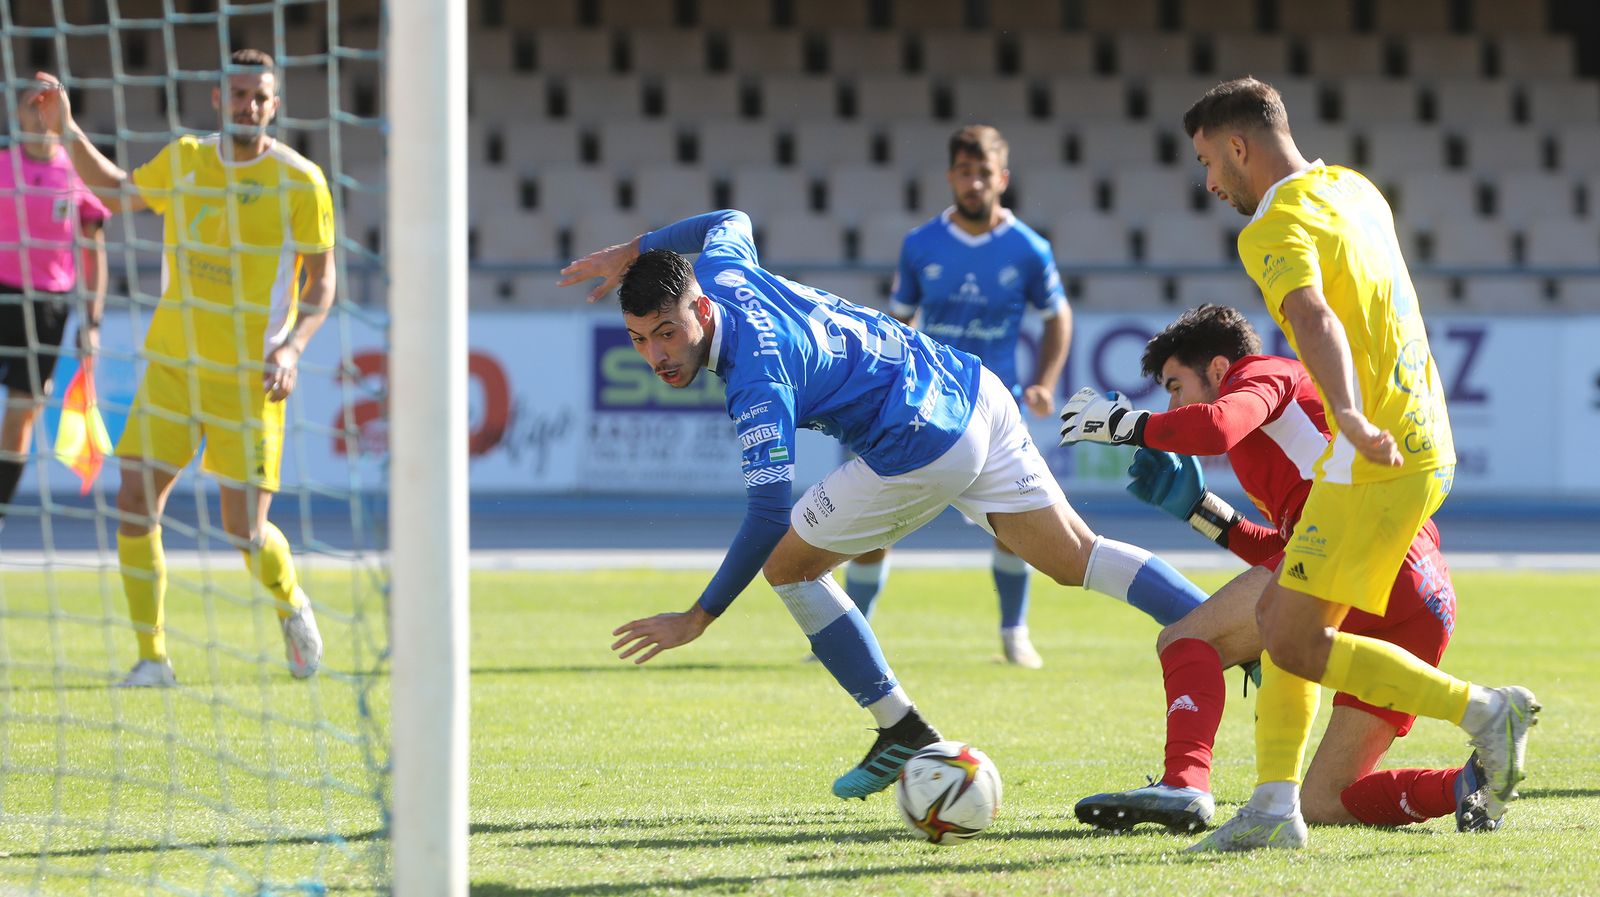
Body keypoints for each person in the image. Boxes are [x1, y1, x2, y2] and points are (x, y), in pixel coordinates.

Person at [559, 208, 1214, 800]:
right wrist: (635, 248)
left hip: (918, 437)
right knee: (1076, 556)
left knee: (787, 564)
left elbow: (765, 514)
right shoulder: (726, 270)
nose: (657, 355)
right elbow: (729, 218)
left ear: (701, 313)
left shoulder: (756, 378)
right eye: (641, 339)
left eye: (666, 333)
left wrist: (698, 616)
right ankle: (1232, 628)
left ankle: (898, 727)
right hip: (971, 386)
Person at [1062, 77, 1537, 851]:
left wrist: (1345, 412)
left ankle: (1485, 711)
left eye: (1210, 162)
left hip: (1373, 449)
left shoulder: (1271, 229)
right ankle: (1278, 804)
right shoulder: (1356, 191)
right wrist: (1204, 513)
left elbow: (1310, 319)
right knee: (1290, 623)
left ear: (1238, 146)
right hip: (1422, 442)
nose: (1210, 182)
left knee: (1283, 631)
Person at [1065, 305, 1495, 836]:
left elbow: (1219, 428)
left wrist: (1125, 426)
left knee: (1186, 640)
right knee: (1325, 802)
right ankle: (1466, 783)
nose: (1172, 403)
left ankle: (1185, 782)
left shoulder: (1262, 373)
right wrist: (1201, 511)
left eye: (1176, 386)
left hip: (1365, 553)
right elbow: (1292, 551)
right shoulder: (1277, 436)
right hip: (1421, 590)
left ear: (1220, 369)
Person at [38, 49, 333, 687]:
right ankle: (153, 658)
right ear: (216, 98)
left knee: (244, 532)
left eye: (260, 96)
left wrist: (291, 349)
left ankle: (292, 603)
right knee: (134, 501)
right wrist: (68, 131)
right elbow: (114, 193)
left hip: (248, 380)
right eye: (237, 94)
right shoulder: (187, 159)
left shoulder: (300, 180)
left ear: (274, 106)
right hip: (172, 368)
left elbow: (321, 283)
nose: (247, 105)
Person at [844, 124, 1071, 669]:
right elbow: (896, 323)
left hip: (996, 408)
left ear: (1003, 178)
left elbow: (1057, 317)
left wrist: (1043, 381)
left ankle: (1014, 633)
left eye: (984, 173)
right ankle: (854, 633)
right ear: (951, 176)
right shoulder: (920, 245)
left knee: (1014, 528)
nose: (974, 183)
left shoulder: (1028, 249)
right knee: (874, 523)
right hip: (922, 406)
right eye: (965, 173)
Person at [0, 74, 109, 526]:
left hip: (49, 307)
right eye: (31, 103)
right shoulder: (3, 164)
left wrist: (93, 321)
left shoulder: (77, 173)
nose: (38, 111)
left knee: (21, 417)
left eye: (47, 103)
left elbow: (94, 250)